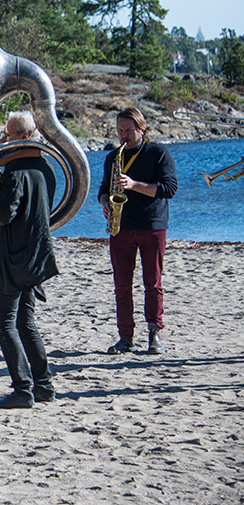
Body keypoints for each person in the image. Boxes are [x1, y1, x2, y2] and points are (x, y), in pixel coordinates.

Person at [0, 111, 59, 409]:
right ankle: (44, 386)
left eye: (8, 135)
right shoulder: (45, 167)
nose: (2, 140)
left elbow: (3, 215)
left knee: (5, 324)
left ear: (25, 137)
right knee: (26, 323)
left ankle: (22, 389)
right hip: (37, 252)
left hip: (13, 256)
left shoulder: (15, 172)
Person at [98, 107, 178, 355]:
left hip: (152, 224)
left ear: (142, 129)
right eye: (120, 131)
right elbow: (103, 188)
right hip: (120, 226)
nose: (124, 136)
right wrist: (105, 203)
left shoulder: (158, 153)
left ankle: (154, 333)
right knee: (121, 285)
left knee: (152, 282)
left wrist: (133, 185)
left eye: (129, 131)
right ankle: (125, 337)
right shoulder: (113, 157)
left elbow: (169, 188)